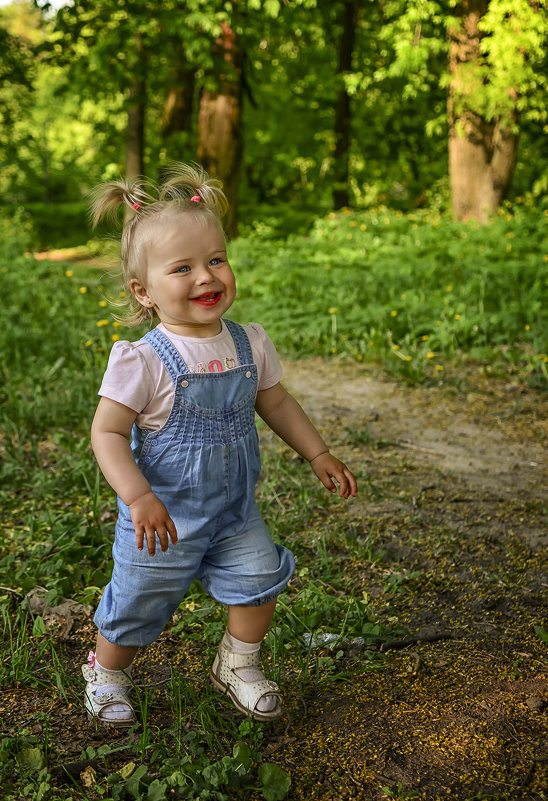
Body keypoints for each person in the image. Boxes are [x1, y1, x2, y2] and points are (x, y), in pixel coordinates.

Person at [83, 163, 357, 727]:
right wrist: (137, 497)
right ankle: (107, 671)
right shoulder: (144, 360)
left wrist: (318, 452)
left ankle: (239, 662)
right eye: (182, 268)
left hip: (233, 511)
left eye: (216, 260)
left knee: (258, 583)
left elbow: (275, 403)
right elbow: (106, 432)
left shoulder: (248, 343)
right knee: (138, 601)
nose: (206, 277)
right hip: (160, 517)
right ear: (144, 291)